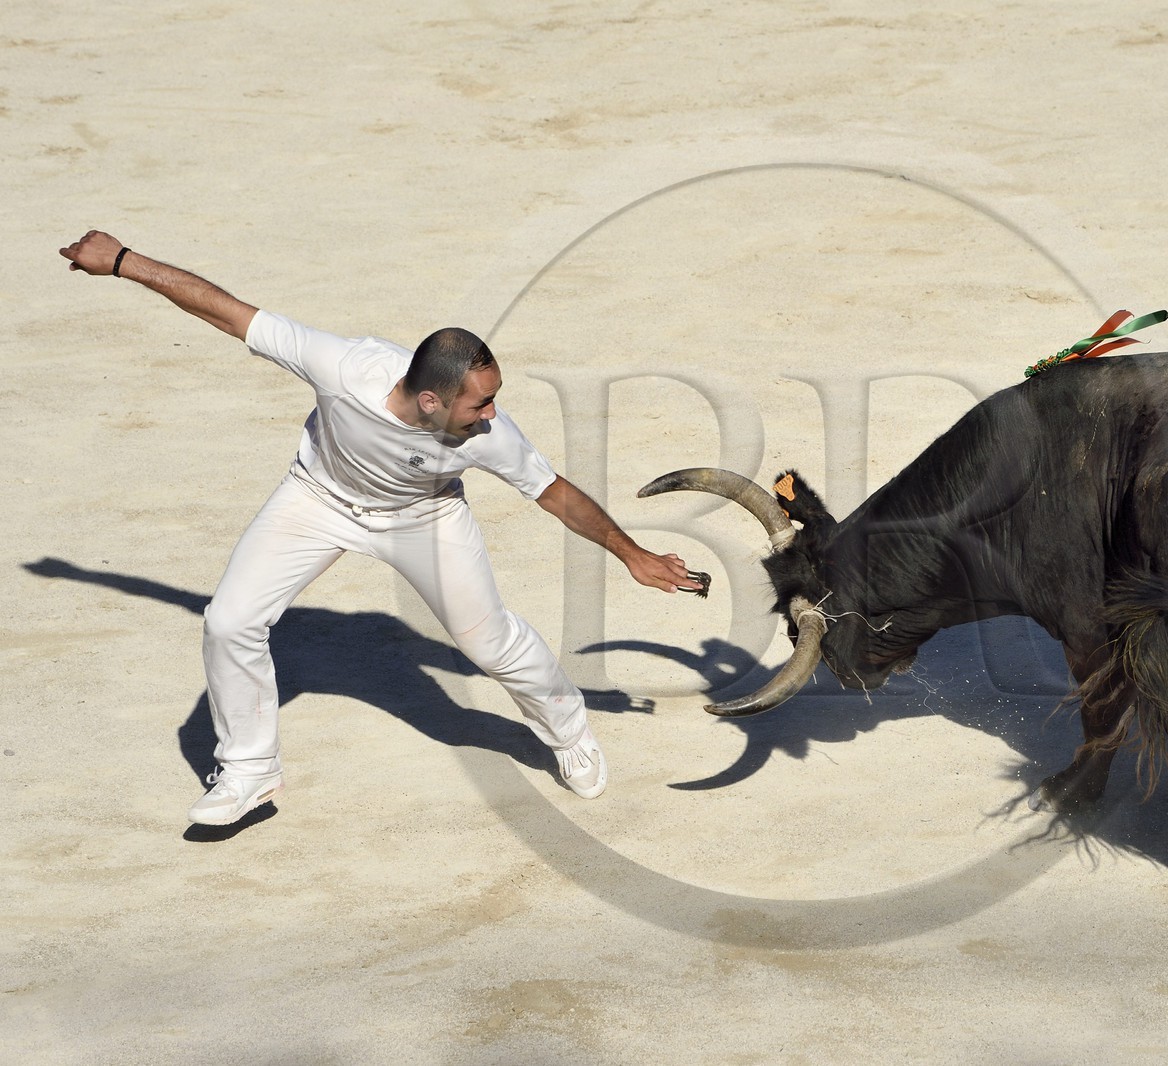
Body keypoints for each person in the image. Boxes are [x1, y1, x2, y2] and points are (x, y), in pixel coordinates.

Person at [59, 229, 702, 825]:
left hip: (423, 517)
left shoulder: (487, 435)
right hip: (318, 498)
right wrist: (122, 262)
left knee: (491, 646)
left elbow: (552, 491)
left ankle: (569, 732)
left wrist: (630, 553)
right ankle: (249, 771)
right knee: (230, 621)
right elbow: (232, 314)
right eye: (481, 401)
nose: (492, 413)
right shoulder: (342, 368)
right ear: (430, 399)